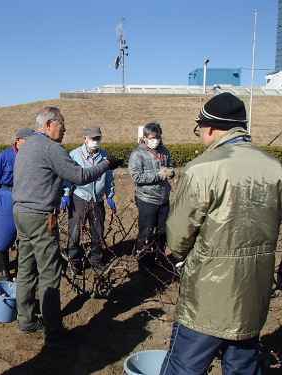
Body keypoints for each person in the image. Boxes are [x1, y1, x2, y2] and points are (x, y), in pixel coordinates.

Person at [161, 92, 282, 375]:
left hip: (207, 294)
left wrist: (181, 256)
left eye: (200, 130)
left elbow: (178, 235)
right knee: (242, 366)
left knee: (184, 367)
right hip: (253, 289)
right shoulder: (274, 168)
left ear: (209, 128)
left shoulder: (202, 169)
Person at [13, 106, 120, 347]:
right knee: (50, 272)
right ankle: (53, 332)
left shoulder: (27, 144)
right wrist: (107, 165)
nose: (65, 129)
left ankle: (26, 319)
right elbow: (79, 176)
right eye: (62, 125)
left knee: (26, 267)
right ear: (49, 124)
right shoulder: (51, 148)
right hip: (40, 216)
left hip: (20, 212)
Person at [61, 127, 116, 270]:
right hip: (79, 197)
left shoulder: (104, 156)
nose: (95, 141)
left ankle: (96, 259)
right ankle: (74, 260)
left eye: (98, 138)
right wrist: (66, 194)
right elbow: (68, 177)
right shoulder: (75, 155)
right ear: (85, 138)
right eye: (92, 138)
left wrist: (109, 195)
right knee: (75, 231)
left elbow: (109, 177)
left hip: (97, 199)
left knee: (97, 230)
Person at [0, 127, 35, 280]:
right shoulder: (4, 156)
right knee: (3, 235)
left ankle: (23, 270)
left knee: (26, 234)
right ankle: (4, 272)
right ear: (18, 140)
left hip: (27, 196)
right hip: (7, 195)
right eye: (27, 141)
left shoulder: (33, 157)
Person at [128, 122, 174, 255]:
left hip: (163, 198)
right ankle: (144, 260)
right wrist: (158, 176)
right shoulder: (137, 154)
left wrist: (171, 172)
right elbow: (137, 177)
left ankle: (159, 256)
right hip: (147, 199)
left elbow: (169, 166)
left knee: (162, 231)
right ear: (145, 137)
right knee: (146, 231)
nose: (155, 140)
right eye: (152, 138)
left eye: (158, 137)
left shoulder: (164, 151)